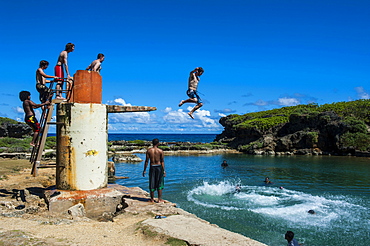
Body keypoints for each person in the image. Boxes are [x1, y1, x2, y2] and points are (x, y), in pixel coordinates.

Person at [143, 138, 166, 203]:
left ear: (152, 143)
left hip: (152, 167)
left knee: (152, 182)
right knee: (159, 183)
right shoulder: (160, 151)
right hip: (159, 167)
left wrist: (144, 170)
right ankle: (159, 199)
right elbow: (162, 161)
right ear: (158, 143)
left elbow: (146, 161)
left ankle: (152, 199)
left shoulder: (149, 151)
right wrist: (164, 170)